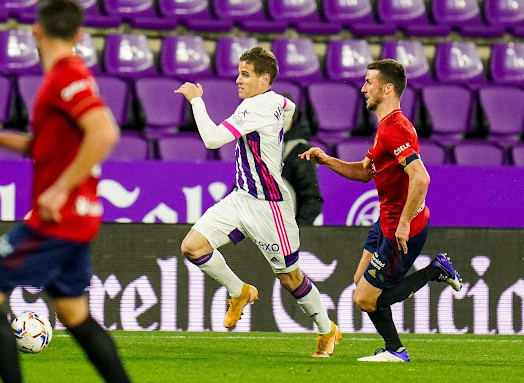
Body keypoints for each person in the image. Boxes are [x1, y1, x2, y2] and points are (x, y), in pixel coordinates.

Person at [0, 1, 159, 383]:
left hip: (58, 219)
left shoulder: (67, 75)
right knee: (73, 314)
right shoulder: (63, 79)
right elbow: (48, 145)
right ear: (80, 35)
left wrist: (60, 189)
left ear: (36, 32)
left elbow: (104, 131)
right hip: (78, 220)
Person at [174, 46, 341, 358]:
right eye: (239, 72)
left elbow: (211, 140)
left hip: (270, 206)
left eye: (245, 75)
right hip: (241, 197)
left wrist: (196, 100)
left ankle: (327, 329)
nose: (238, 80)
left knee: (290, 278)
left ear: (265, 79)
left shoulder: (257, 109)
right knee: (193, 246)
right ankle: (240, 292)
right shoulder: (276, 101)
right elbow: (289, 109)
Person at [299, 59, 462, 362]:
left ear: (387, 89)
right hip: (385, 222)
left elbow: (421, 177)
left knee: (364, 298)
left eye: (369, 83)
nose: (363, 88)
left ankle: (435, 272)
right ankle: (394, 349)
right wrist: (326, 160)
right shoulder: (386, 128)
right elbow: (364, 172)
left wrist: (402, 224)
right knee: (359, 281)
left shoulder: (396, 130)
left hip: (402, 230)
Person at [280, 97, 323, 225]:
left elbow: (312, 200)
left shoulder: (301, 151)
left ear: (294, 119)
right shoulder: (256, 147)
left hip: (286, 232)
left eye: (286, 116)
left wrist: (297, 232)